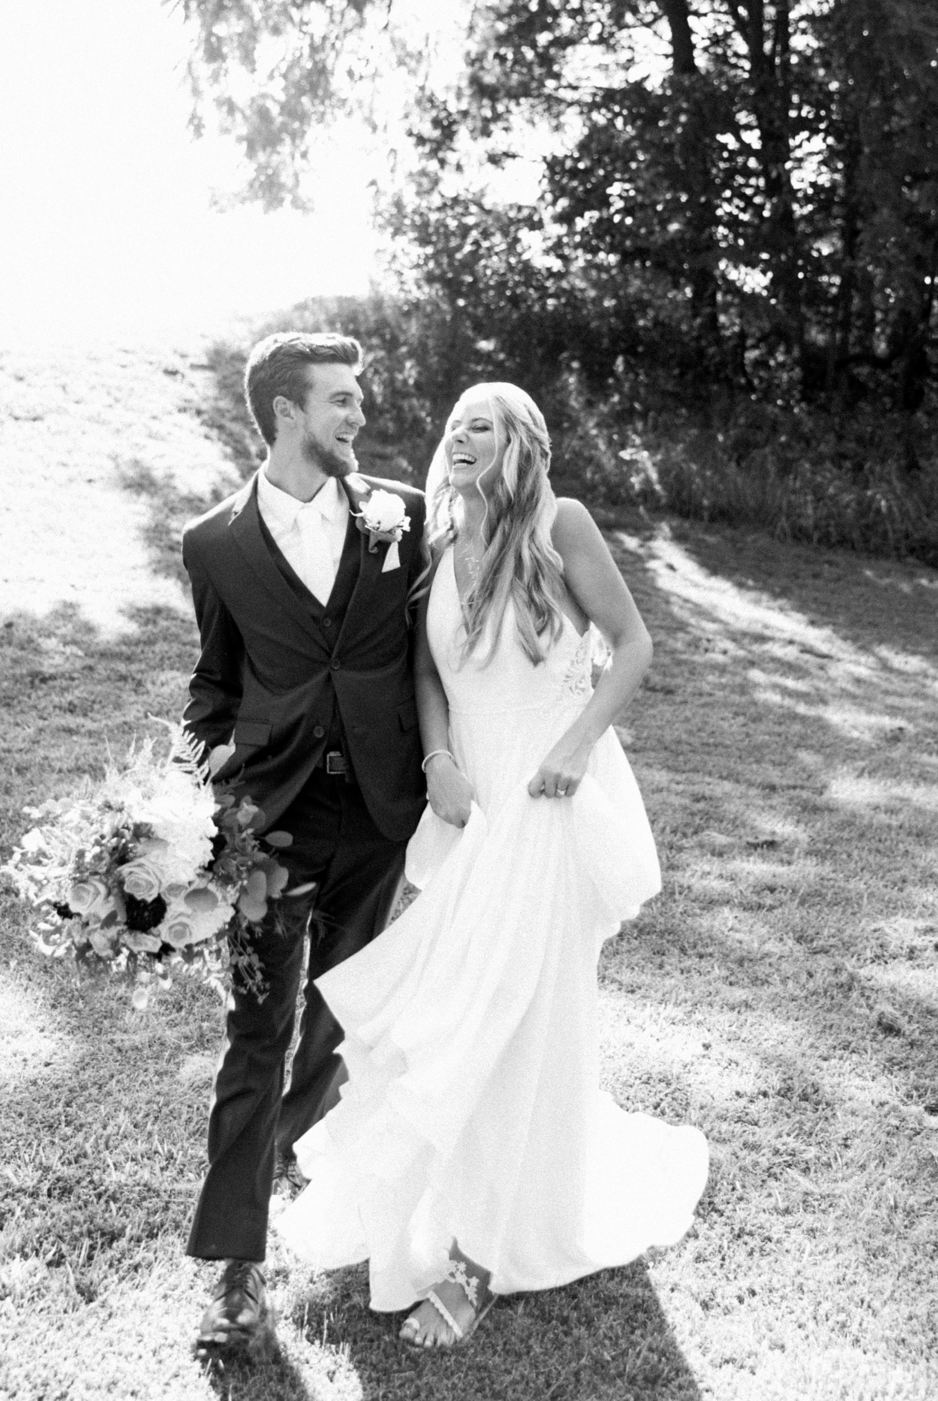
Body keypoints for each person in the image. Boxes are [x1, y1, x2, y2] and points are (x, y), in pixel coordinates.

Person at [276, 382, 709, 1347]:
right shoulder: (440, 535)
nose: (458, 434)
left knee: (507, 1014)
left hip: (549, 800)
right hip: (472, 811)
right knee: (460, 1010)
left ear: (520, 438)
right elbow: (429, 670)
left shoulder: (564, 523)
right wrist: (437, 763)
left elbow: (633, 645)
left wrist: (575, 746)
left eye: (482, 421)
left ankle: (481, 1263)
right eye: (453, 422)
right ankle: (461, 1213)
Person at [179, 331, 427, 1357]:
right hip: (269, 828)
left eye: (359, 399)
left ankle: (293, 1150)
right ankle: (233, 1278)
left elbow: (437, 640)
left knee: (344, 1016)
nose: (358, 416)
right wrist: (199, 798)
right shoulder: (215, 545)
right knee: (255, 1035)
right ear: (286, 411)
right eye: (340, 400)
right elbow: (213, 685)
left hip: (377, 813)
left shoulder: (401, 516)